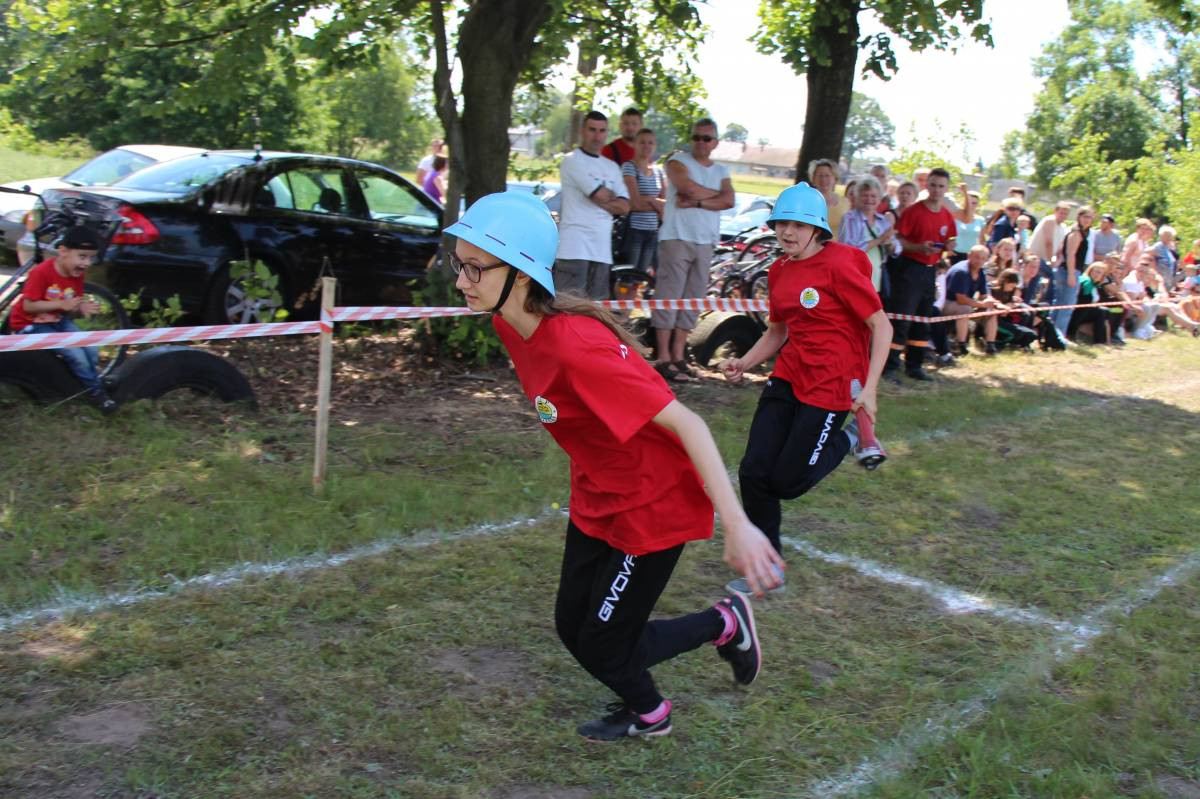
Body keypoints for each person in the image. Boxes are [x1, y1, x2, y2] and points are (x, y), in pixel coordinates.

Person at [444, 191, 783, 742]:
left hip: (652, 505)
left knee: (604, 639)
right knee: (572, 626)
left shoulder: (578, 348)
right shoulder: (510, 323)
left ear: (522, 274)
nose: (462, 280)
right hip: (598, 492)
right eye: (459, 264)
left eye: (475, 268)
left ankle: (707, 642)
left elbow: (689, 424)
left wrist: (738, 525)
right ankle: (658, 698)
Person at [719, 182, 893, 592]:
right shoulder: (778, 270)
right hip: (788, 378)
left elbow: (880, 326)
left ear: (817, 228)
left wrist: (869, 388)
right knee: (753, 471)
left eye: (798, 225)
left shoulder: (840, 266)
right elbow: (778, 331)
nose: (787, 233)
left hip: (831, 389)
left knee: (787, 482)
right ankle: (768, 572)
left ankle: (848, 439)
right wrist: (744, 362)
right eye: (782, 224)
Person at [654, 117, 734, 381]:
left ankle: (679, 356)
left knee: (692, 299)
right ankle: (663, 357)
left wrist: (699, 201)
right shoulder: (677, 160)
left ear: (715, 143)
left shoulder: (722, 170)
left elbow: (729, 199)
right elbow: (684, 186)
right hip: (677, 237)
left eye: (706, 138)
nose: (700, 143)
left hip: (705, 241)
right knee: (670, 295)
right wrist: (714, 196)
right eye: (697, 137)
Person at [10, 225, 117, 413]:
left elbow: (70, 310)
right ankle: (96, 392)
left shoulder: (76, 275)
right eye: (82, 256)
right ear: (63, 252)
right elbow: (29, 306)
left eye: (91, 258)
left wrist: (80, 309)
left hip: (56, 320)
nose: (86, 263)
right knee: (75, 354)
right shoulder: (41, 272)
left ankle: (84, 383)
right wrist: (61, 305)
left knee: (91, 349)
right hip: (30, 323)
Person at [885, 167, 957, 382]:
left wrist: (949, 245)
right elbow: (898, 241)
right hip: (909, 269)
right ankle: (889, 366)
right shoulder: (913, 212)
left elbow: (950, 240)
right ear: (927, 186)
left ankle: (914, 366)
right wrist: (918, 247)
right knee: (902, 319)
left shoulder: (946, 215)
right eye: (932, 185)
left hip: (930, 271)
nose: (936, 190)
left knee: (922, 319)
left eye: (941, 186)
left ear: (946, 189)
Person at [555, 111, 631, 300]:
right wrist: (606, 196)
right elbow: (599, 195)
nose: (597, 136)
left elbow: (625, 206)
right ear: (582, 131)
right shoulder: (572, 160)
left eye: (602, 131)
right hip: (574, 248)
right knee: (568, 308)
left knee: (596, 311)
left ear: (607, 133)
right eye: (592, 130)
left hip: (602, 250)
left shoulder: (611, 167)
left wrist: (601, 197)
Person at [836, 174, 898, 295]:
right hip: (854, 278)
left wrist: (890, 245)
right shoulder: (849, 218)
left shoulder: (883, 221)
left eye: (873, 196)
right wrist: (880, 240)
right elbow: (849, 250)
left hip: (876, 279)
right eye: (865, 195)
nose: (869, 199)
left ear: (880, 199)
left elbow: (896, 249)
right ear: (857, 197)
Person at [619, 128, 665, 273]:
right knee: (627, 276)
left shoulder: (659, 171)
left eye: (650, 143)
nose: (646, 146)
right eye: (642, 142)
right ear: (635, 144)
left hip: (653, 231)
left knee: (641, 277)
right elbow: (634, 203)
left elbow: (666, 206)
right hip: (634, 231)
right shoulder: (629, 167)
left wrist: (648, 200)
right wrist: (655, 202)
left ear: (655, 145)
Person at [942, 245, 1001, 355]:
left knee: (992, 311)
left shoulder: (981, 272)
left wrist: (994, 303)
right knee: (964, 309)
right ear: (969, 256)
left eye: (983, 258)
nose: (980, 261)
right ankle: (961, 345)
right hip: (946, 304)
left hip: (965, 303)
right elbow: (961, 300)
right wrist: (983, 304)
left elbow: (985, 294)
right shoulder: (961, 272)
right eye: (977, 257)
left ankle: (990, 345)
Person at [1050, 206, 1093, 340]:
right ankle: (1059, 336)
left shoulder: (1080, 232)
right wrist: (1071, 274)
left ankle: (1052, 333)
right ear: (1079, 217)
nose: (1087, 220)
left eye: (1090, 217)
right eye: (1085, 216)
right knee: (1066, 306)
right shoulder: (1076, 233)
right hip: (1070, 270)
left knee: (1060, 304)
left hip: (1068, 270)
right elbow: (1070, 254)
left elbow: (1060, 250)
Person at [809, 158, 848, 235]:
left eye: (827, 175)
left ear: (835, 178)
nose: (823, 179)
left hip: (837, 246)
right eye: (820, 175)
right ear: (813, 178)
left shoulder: (846, 202)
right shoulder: (806, 201)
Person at [1028, 202, 1072, 268]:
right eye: (1061, 213)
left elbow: (1060, 247)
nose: (1063, 216)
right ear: (1055, 212)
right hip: (1036, 257)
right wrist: (1051, 261)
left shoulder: (1063, 227)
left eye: (1065, 214)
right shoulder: (1050, 220)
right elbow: (1048, 242)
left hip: (1046, 260)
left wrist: (1058, 261)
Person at [953, 186, 985, 257]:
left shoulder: (980, 220)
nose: (971, 206)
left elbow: (981, 239)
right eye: (970, 203)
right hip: (956, 252)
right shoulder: (956, 217)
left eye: (974, 203)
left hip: (972, 254)